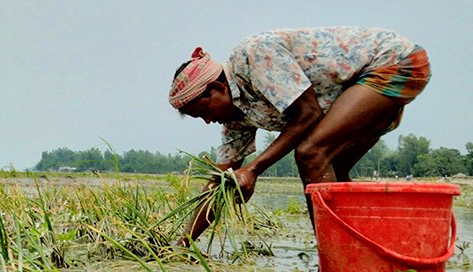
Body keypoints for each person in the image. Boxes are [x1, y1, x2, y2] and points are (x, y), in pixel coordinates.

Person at [168, 27, 430, 246]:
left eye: (203, 111)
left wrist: (253, 169)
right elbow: (218, 184)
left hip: (392, 61)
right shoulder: (237, 118)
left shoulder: (252, 56)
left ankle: (333, 255)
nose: (207, 121)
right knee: (333, 167)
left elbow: (308, 113)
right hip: (362, 83)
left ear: (216, 88)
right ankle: (373, 241)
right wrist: (183, 244)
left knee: (311, 153)